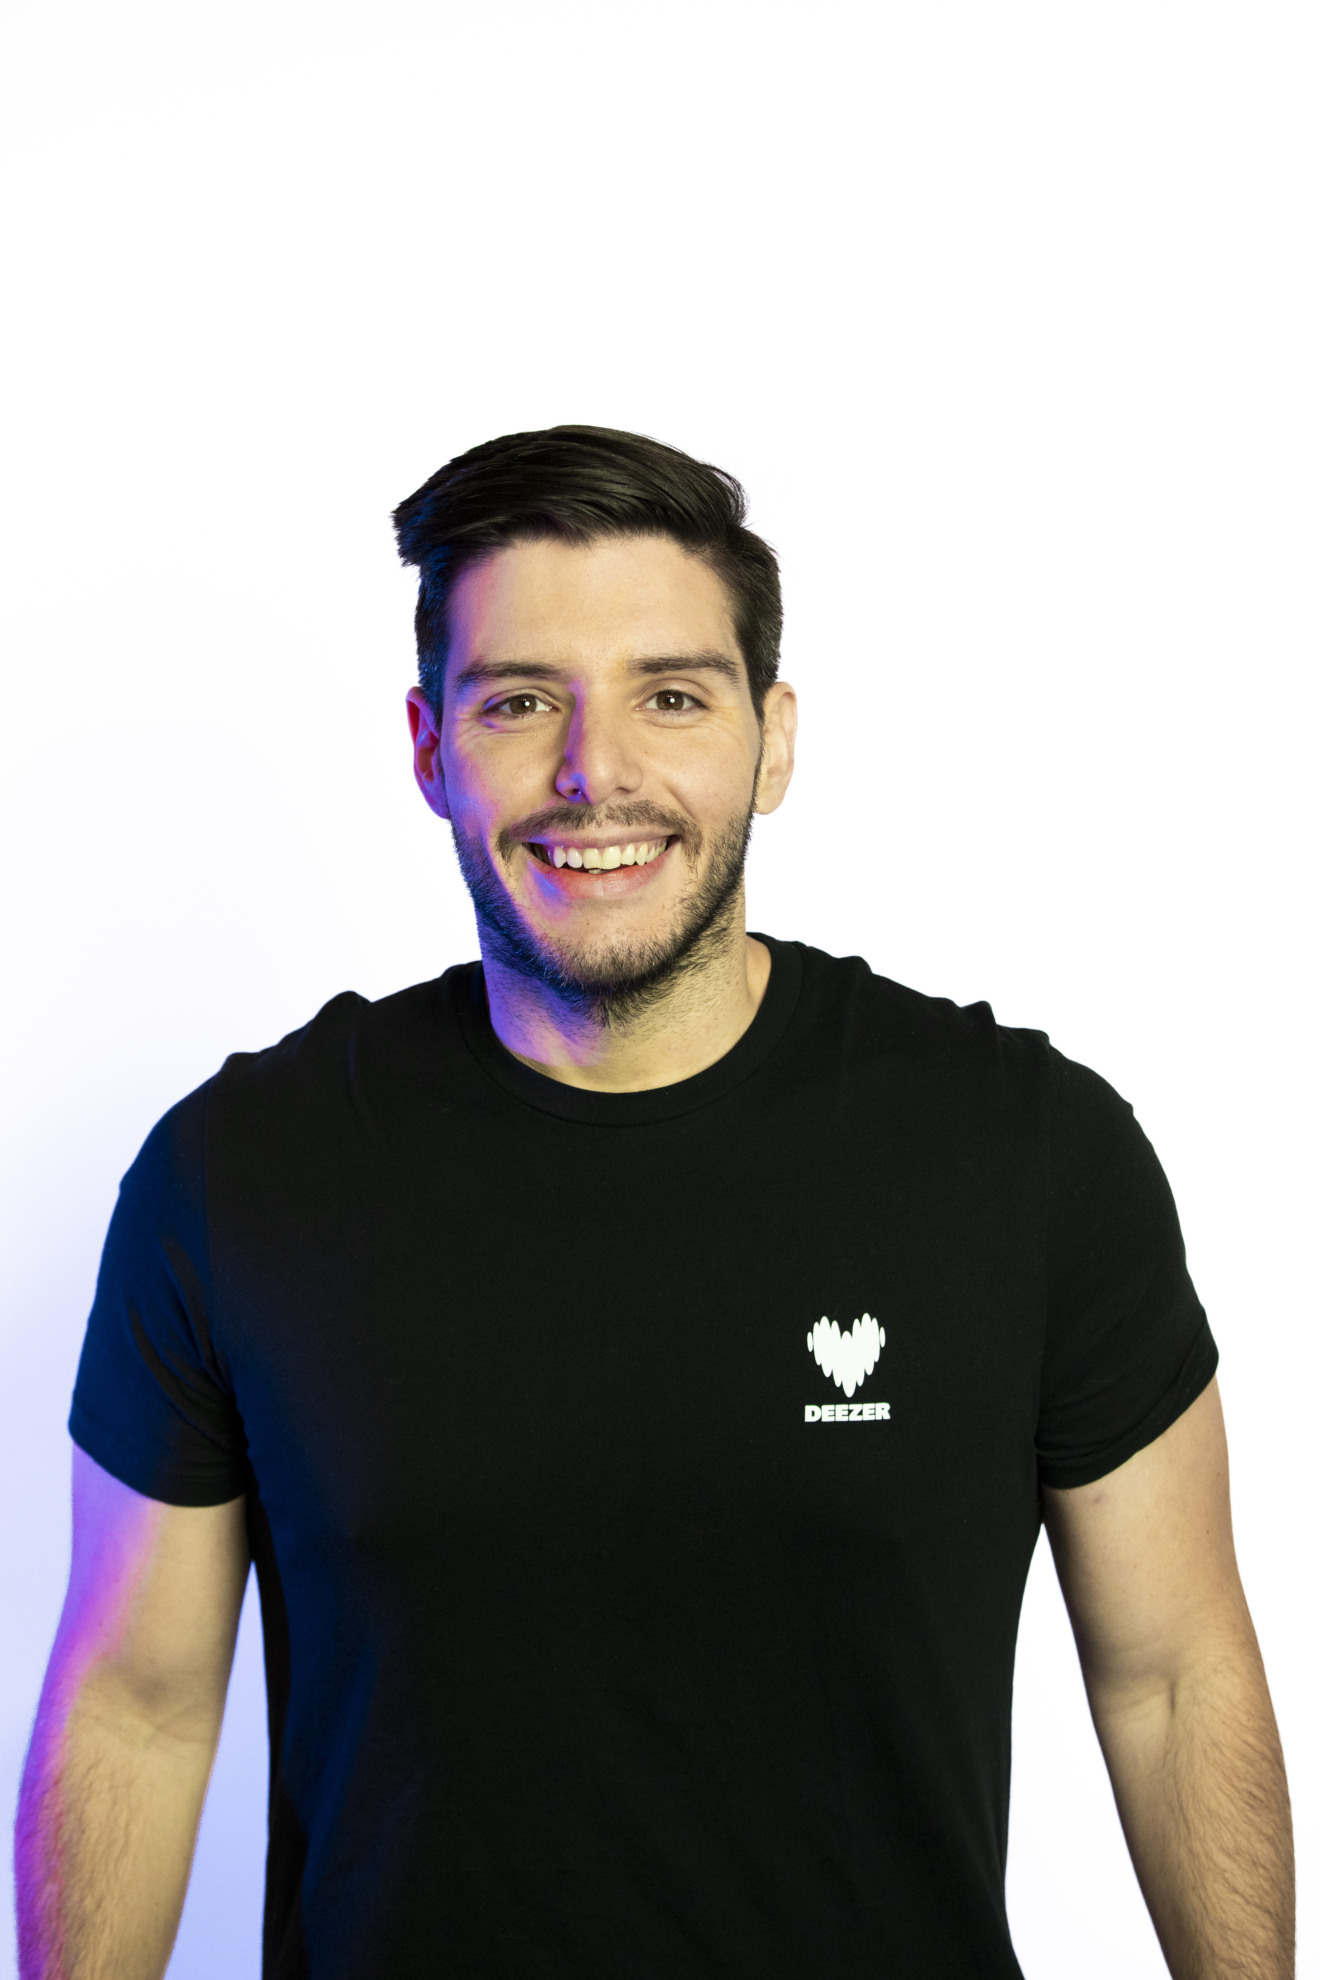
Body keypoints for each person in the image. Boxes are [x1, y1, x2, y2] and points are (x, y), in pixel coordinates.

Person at [16, 426, 1293, 1980]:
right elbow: (137, 1707)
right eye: (519, 700)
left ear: (773, 740)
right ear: (428, 746)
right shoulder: (238, 1177)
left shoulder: (1028, 1153)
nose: (594, 770)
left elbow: (1172, 1676)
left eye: (670, 695)